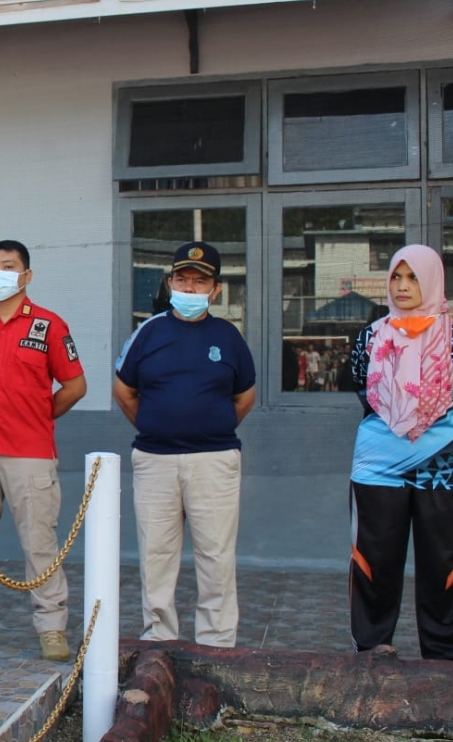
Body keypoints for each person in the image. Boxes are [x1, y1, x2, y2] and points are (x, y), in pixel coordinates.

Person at [112, 241, 256, 648]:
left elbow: (245, 397)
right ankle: (159, 641)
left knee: (215, 557)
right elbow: (124, 391)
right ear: (169, 282)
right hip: (156, 461)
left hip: (214, 462)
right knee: (156, 556)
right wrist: (159, 426)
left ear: (216, 290)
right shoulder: (149, 332)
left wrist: (209, 428)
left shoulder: (228, 337)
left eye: (200, 281)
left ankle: (216, 644)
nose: (189, 288)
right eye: (181, 279)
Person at [0, 239, 87, 661]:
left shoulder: (49, 326)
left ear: (27, 275)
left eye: (8, 266)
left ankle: (51, 627)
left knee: (39, 543)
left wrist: (39, 416)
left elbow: (75, 386)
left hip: (30, 452)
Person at [348, 244, 453, 662]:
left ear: (433, 280)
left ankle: (444, 660)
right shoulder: (369, 336)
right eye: (396, 277)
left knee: (443, 565)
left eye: (413, 277)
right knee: (374, 562)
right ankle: (371, 648)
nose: (402, 286)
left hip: (446, 469)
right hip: (378, 468)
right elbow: (365, 393)